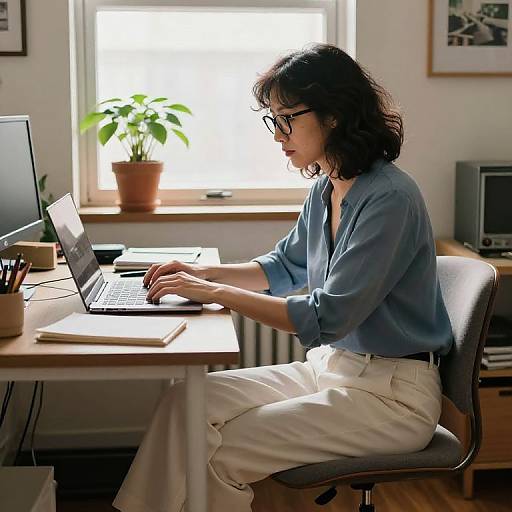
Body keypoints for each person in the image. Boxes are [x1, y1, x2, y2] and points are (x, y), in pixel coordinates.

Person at [113, 43, 453, 512]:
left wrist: (213, 292)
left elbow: (327, 316)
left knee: (217, 454)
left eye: (287, 118)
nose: (278, 135)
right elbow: (282, 266)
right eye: (273, 120)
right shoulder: (326, 187)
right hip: (333, 369)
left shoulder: (391, 198)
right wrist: (199, 272)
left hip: (392, 397)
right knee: (184, 405)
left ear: (334, 114)